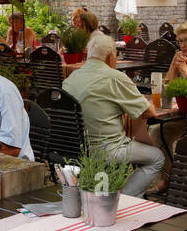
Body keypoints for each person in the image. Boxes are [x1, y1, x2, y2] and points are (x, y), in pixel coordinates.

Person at [62, 33, 166, 196]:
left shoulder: (71, 77)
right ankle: (124, 199)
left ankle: (112, 193)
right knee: (157, 157)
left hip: (75, 149)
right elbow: (149, 111)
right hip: (108, 150)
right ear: (111, 56)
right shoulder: (115, 77)